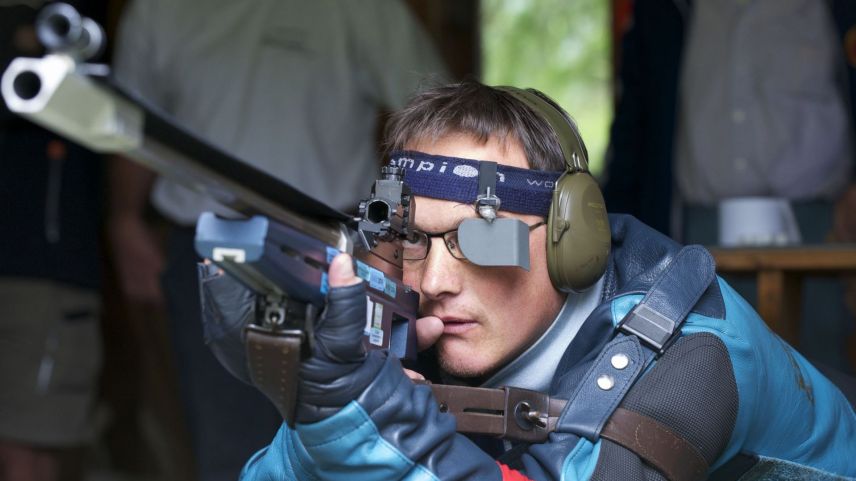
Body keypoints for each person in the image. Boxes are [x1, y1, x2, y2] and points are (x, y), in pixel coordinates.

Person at [205, 81, 855, 480]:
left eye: (482, 240)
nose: (433, 280)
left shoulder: (689, 355)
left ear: (575, 239)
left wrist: (368, 421)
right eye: (410, 237)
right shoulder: (442, 322)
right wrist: (317, 407)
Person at [109, 1, 446, 480]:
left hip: (339, 247)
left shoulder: (364, 8)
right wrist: (124, 221)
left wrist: (403, 240)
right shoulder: (158, 10)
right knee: (226, 437)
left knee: (355, 432)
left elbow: (435, 116)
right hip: (210, 247)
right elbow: (127, 125)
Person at [602, 0, 856, 370]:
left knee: (824, 381)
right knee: (700, 383)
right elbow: (634, 131)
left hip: (824, 232)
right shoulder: (664, 9)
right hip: (692, 236)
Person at [0, 2, 105, 480]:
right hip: (39, 266)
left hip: (41, 268)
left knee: (34, 442)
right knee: (29, 447)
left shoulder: (71, 25)